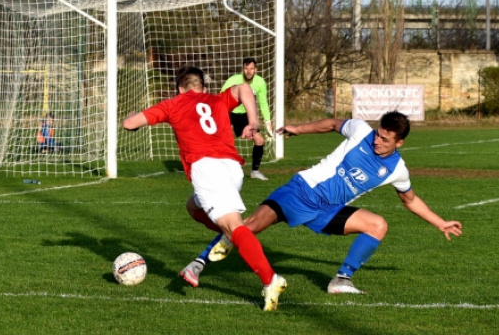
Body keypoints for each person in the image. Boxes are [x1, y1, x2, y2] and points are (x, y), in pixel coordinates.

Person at [182, 111, 463, 294]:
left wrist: (440, 223)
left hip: (328, 211)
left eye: (385, 139)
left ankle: (341, 280)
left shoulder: (397, 170)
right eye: (378, 133)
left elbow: (410, 200)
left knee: (378, 225)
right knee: (250, 227)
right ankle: (198, 264)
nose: (377, 140)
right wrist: (298, 129)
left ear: (399, 143)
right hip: (302, 190)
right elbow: (331, 123)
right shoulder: (360, 131)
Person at [123, 66, 287, 311]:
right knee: (193, 206)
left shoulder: (172, 104)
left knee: (235, 226)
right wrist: (253, 122)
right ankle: (230, 237)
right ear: (204, 87)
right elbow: (244, 88)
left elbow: (129, 124)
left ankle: (269, 279)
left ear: (180, 89)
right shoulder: (217, 99)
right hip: (232, 168)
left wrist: (133, 116)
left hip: (208, 168)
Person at [221, 57, 273, 181]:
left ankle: (255, 172)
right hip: (227, 112)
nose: (249, 71)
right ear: (243, 69)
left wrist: (267, 121)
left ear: (256, 69)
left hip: (245, 115)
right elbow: (221, 98)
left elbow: (263, 102)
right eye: (246, 68)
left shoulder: (260, 82)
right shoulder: (233, 80)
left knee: (259, 140)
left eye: (251, 69)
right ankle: (221, 170)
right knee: (223, 141)